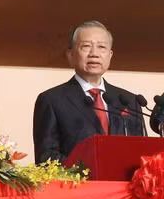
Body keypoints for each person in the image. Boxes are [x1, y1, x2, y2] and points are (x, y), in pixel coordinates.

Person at [33, 21, 145, 164]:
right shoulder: (51, 100)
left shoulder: (129, 101)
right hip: (78, 185)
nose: (94, 54)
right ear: (71, 55)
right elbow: (45, 157)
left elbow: (140, 152)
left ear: (110, 55)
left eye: (101, 47)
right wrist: (87, 169)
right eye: (86, 46)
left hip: (122, 185)